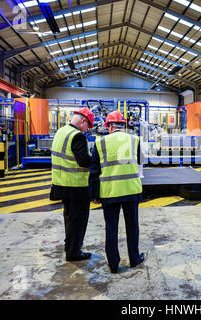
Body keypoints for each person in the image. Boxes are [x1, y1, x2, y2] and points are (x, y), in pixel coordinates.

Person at [89, 111, 145, 274]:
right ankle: (134, 259)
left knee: (111, 227)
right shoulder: (135, 140)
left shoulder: (100, 142)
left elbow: (94, 171)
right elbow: (141, 161)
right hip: (131, 190)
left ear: (109, 126)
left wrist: (94, 195)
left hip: (110, 192)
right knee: (132, 226)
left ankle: (114, 264)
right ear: (124, 125)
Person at [50, 108, 94, 262]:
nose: (87, 129)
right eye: (88, 126)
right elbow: (83, 161)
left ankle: (70, 245)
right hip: (75, 186)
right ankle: (74, 252)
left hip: (61, 183)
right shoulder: (77, 136)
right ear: (83, 121)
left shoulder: (61, 132)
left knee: (69, 217)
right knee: (77, 220)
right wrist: (94, 158)